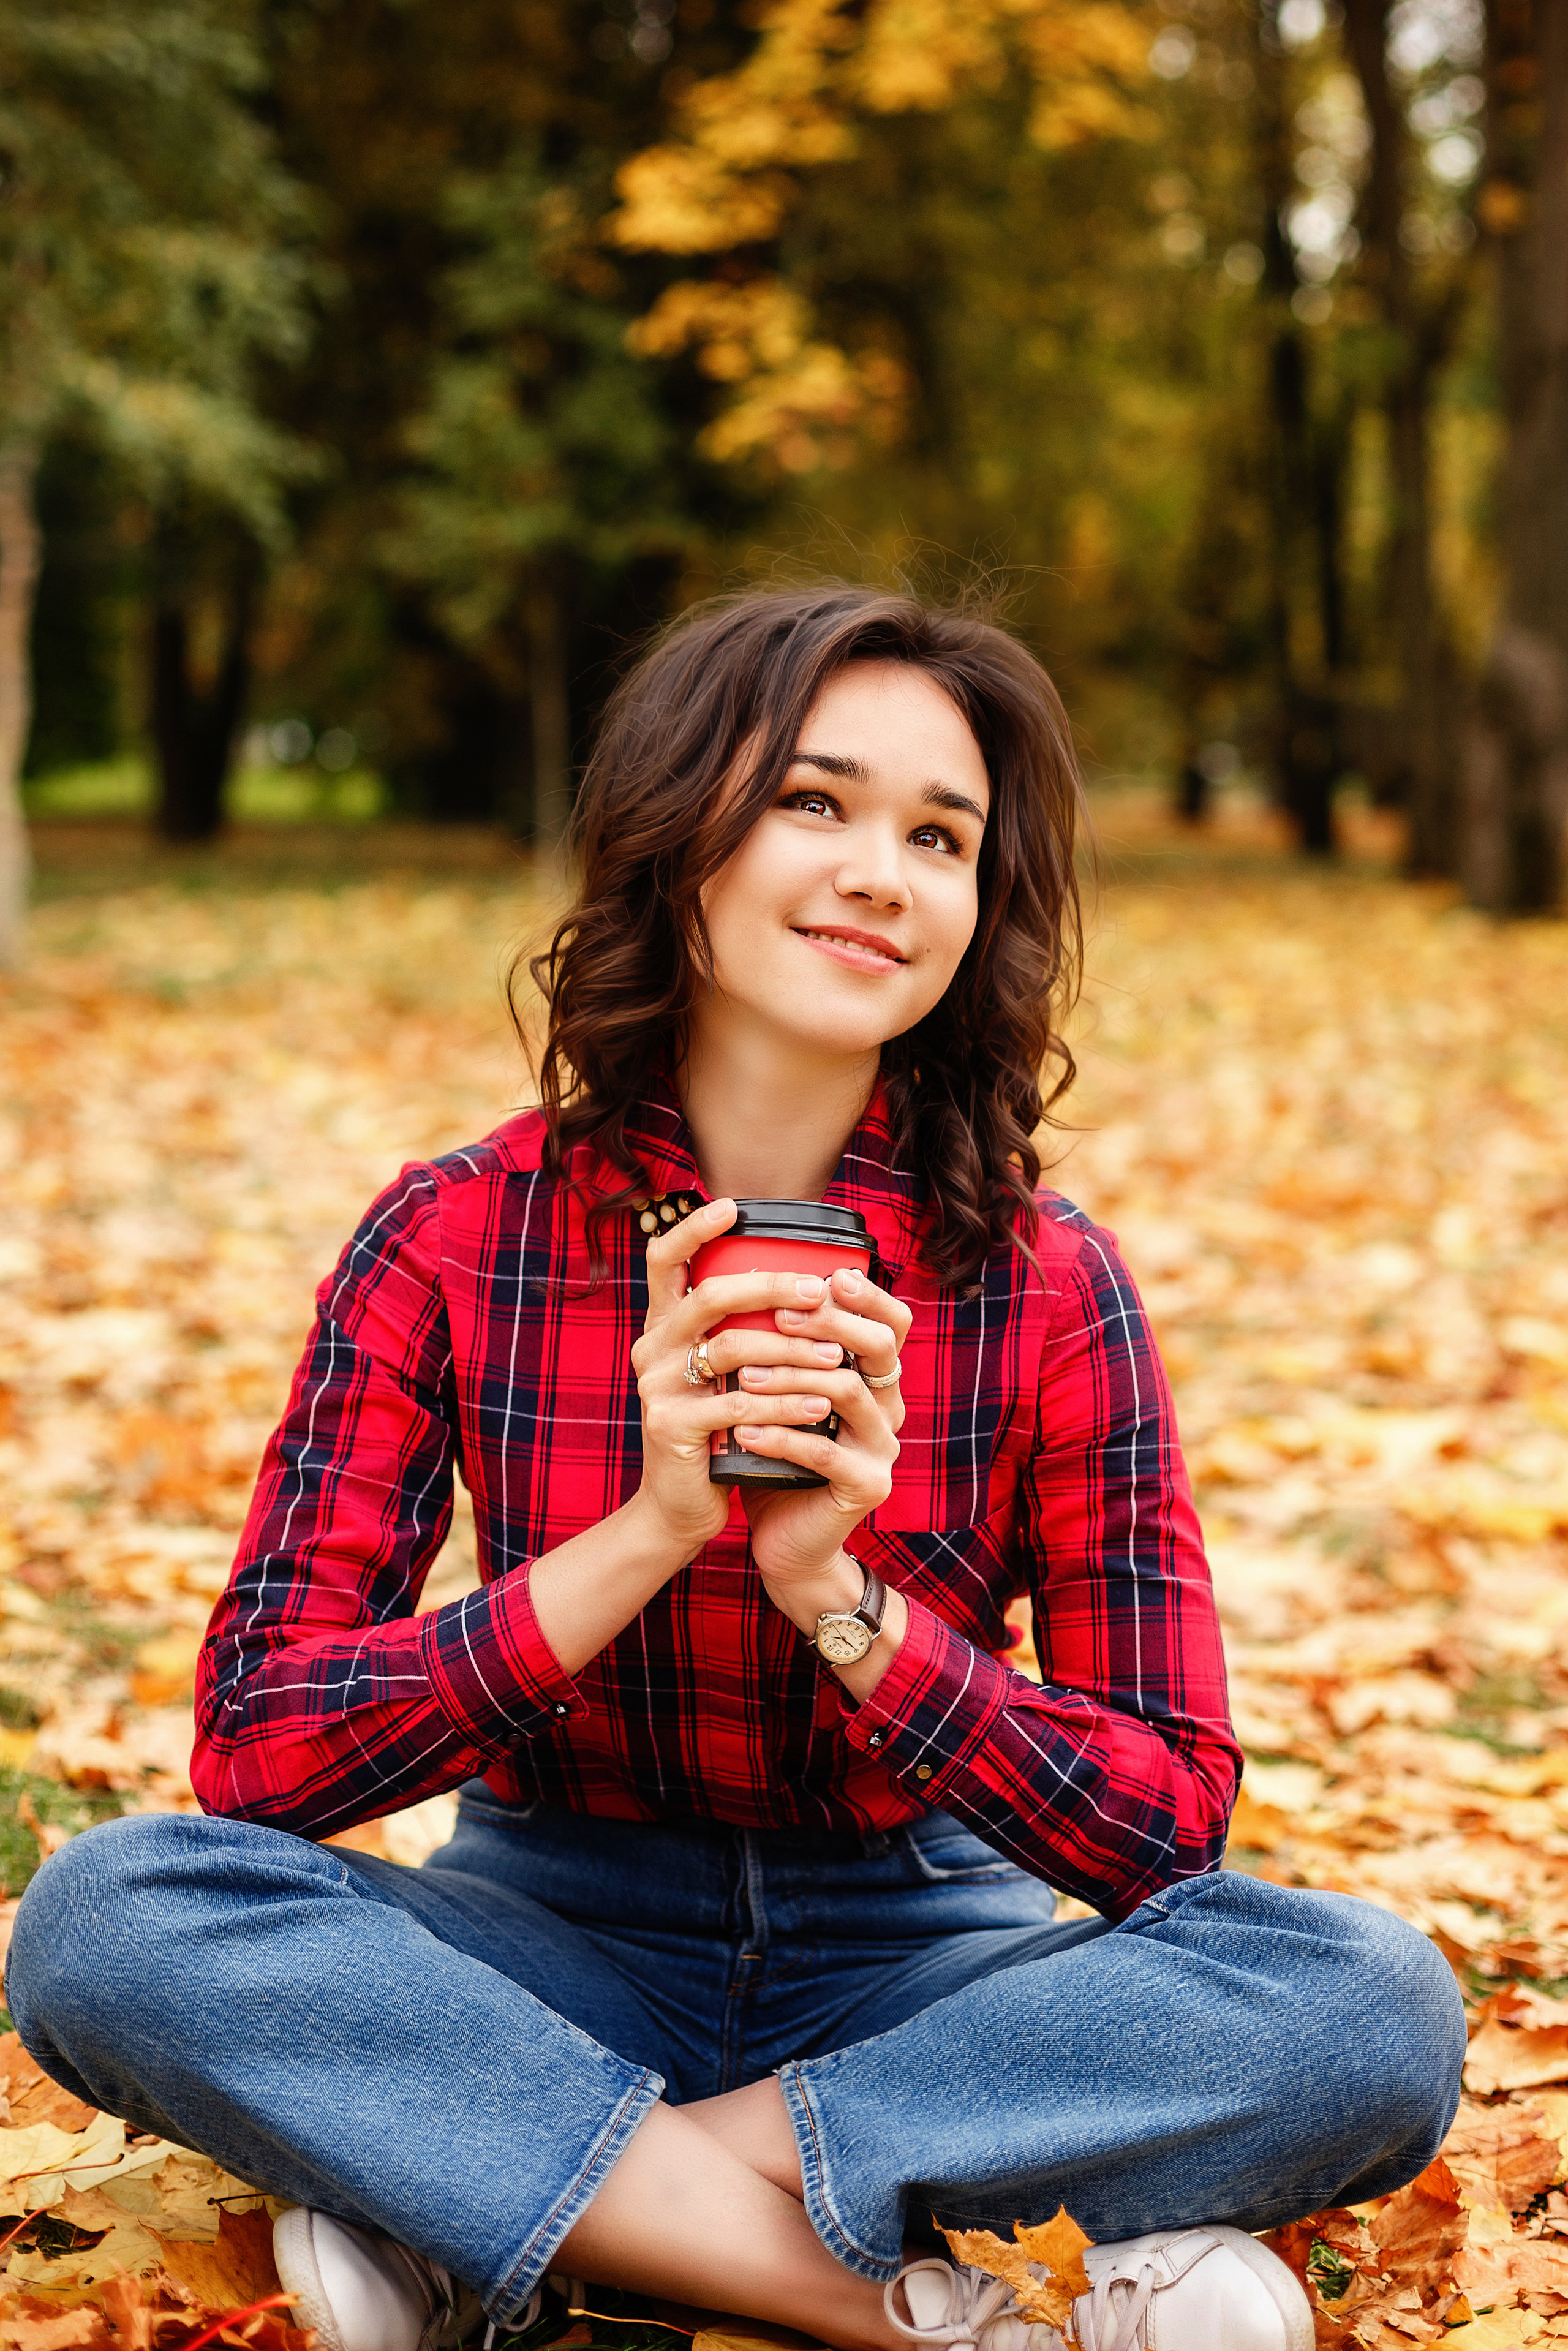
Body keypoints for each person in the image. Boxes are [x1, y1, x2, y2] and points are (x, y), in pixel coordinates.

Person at [10, 587, 1464, 2351]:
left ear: (977, 909)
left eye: (942, 837)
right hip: (544, 1941)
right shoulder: (458, 1234)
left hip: (936, 1972)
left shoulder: (1042, 1278)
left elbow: (1164, 1823)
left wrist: (843, 1608)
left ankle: (509, 2213)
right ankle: (919, 2308)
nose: (884, 873)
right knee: (108, 1918)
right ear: (678, 835)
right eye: (817, 803)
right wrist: (645, 1534)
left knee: (1368, 2005)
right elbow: (257, 1749)